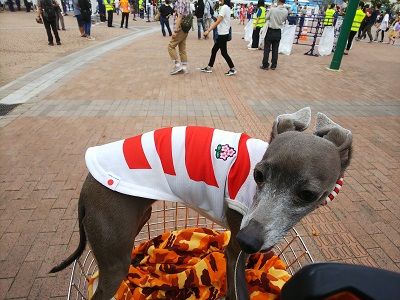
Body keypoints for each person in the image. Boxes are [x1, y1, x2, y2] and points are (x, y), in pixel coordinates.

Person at [200, 0, 236, 76]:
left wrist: (208, 31)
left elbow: (218, 21)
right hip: (223, 33)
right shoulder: (227, 7)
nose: (219, 1)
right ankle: (209, 67)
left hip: (223, 34)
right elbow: (219, 20)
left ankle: (232, 68)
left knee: (223, 53)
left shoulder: (224, 8)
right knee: (214, 50)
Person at [260, 0, 288, 70]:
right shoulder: (286, 11)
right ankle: (274, 65)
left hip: (270, 31)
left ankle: (265, 65)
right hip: (278, 31)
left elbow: (266, 18)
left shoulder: (273, 10)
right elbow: (284, 20)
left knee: (267, 49)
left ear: (278, 1)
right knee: (275, 49)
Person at [168, 0, 190, 75]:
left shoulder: (180, 2)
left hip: (180, 28)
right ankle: (184, 67)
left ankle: (177, 65)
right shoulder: (186, 1)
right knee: (182, 48)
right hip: (185, 28)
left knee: (170, 46)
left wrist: (175, 30)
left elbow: (180, 16)